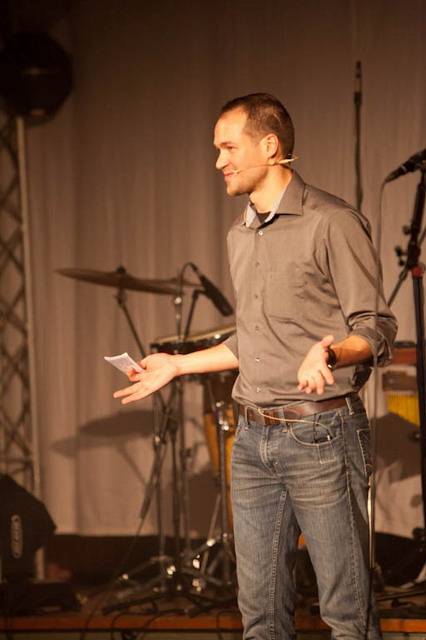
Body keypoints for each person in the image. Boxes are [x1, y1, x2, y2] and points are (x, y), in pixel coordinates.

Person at [114, 93, 397, 640]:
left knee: (347, 614)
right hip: (251, 439)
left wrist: (330, 353)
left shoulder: (331, 221)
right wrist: (177, 366)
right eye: (216, 149)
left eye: (228, 148)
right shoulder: (239, 234)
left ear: (269, 146)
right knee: (260, 616)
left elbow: (376, 327)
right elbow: (254, 339)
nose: (218, 161)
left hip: (321, 433)